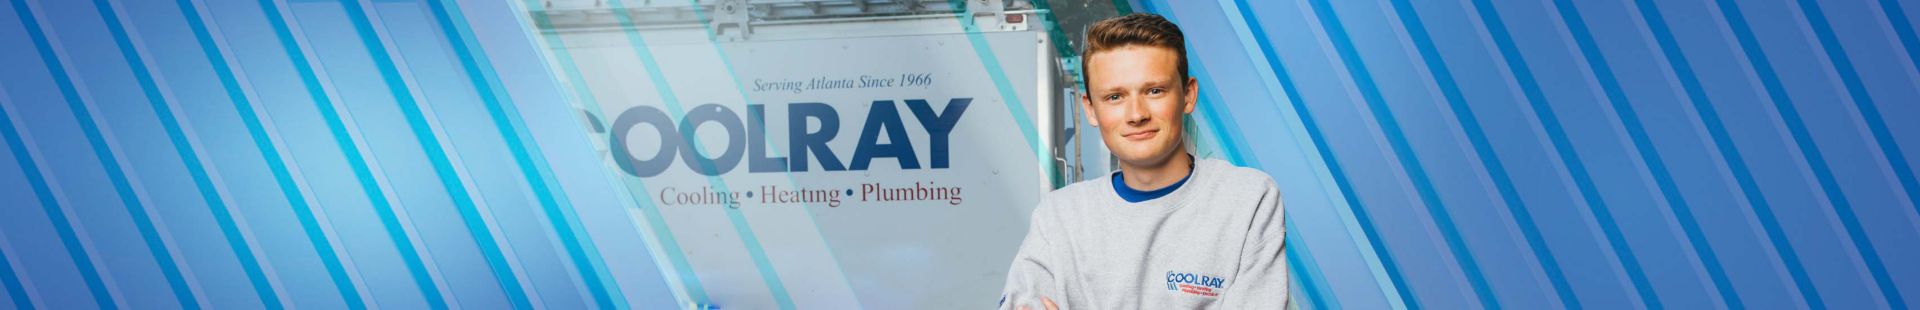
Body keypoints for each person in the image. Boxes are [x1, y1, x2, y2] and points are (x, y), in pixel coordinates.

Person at [998, 13, 1288, 309]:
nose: (1137, 114)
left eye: (1154, 91)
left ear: (1188, 95)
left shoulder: (1248, 199)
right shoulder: (1059, 216)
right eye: (1115, 97)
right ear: (1091, 109)